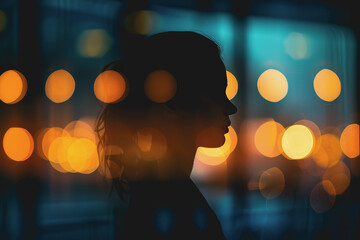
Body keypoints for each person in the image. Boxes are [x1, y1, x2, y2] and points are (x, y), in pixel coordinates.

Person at [96, 31, 237, 239]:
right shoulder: (174, 204)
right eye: (217, 93)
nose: (231, 108)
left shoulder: (156, 194)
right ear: (173, 103)